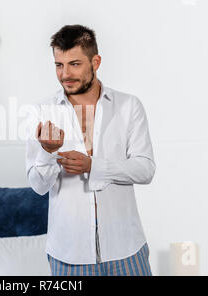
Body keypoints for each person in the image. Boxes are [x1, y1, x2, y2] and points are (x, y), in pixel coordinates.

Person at [25, 25, 156, 276]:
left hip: (126, 249)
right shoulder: (42, 112)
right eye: (58, 65)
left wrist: (92, 165)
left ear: (95, 61)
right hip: (68, 255)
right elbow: (38, 186)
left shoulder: (129, 106)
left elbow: (145, 169)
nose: (65, 74)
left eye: (74, 64)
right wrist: (47, 152)